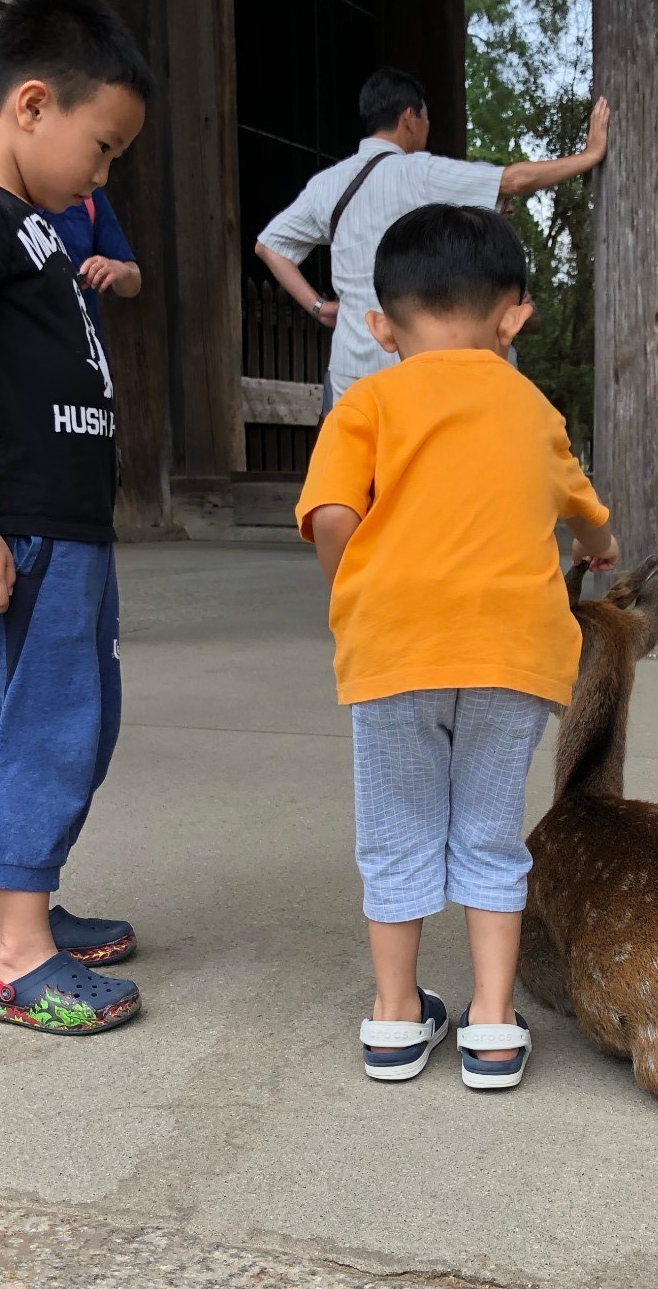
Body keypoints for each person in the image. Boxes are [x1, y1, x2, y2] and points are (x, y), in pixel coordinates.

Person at [295, 203, 618, 1091]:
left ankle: (396, 1020)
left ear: (378, 324)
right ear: (513, 314)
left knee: (396, 833)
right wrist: (598, 548)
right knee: (486, 832)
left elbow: (330, 514)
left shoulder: (366, 401)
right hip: (512, 656)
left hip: (395, 651)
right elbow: (584, 510)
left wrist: (355, 591)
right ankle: (490, 1023)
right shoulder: (533, 407)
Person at [0, 0, 152, 1034]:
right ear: (32, 105)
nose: (101, 178)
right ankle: (16, 953)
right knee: (48, 726)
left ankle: (23, 901)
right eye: (100, 150)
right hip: (24, 525)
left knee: (73, 719)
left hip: (69, 523)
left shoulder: (36, 225)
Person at [256, 65, 610, 412]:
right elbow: (513, 180)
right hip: (410, 369)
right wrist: (588, 156)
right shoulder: (418, 173)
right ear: (409, 116)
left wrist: (318, 308)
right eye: (426, 118)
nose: (427, 127)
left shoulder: (327, 184)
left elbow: (270, 245)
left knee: (351, 467)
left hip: (350, 373)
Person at [44, 186, 140, 341]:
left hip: (85, 348)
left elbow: (133, 283)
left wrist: (120, 270)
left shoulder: (89, 196)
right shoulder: (4, 200)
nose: (100, 177)